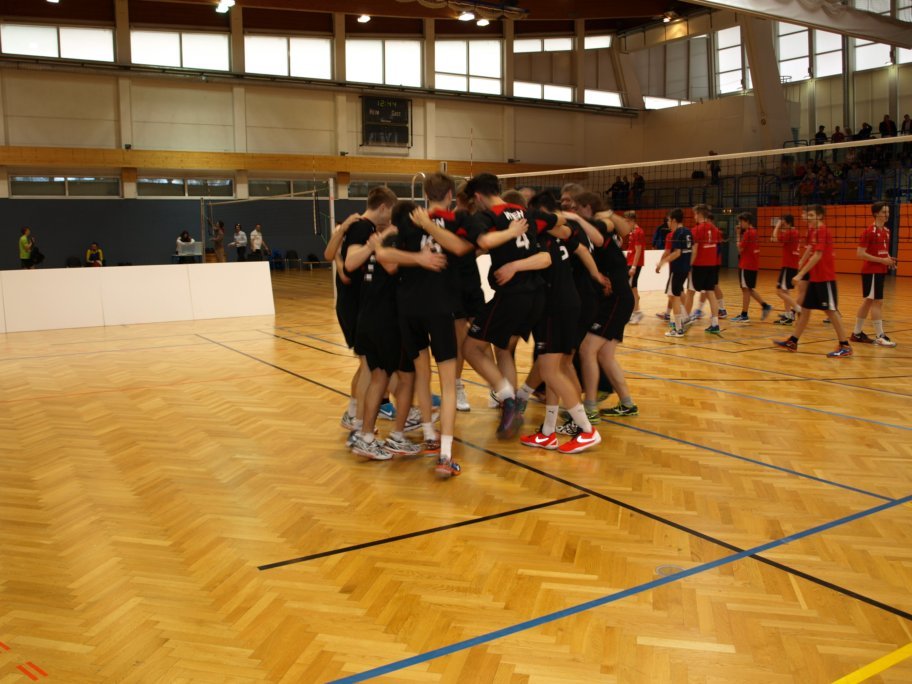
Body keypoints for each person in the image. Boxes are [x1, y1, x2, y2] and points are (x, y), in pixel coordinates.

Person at [461, 172, 564, 440]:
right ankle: (513, 411)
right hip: (537, 295)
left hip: (512, 295)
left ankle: (507, 399)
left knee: (470, 348)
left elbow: (483, 241)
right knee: (504, 348)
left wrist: (508, 237)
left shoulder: (487, 216)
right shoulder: (526, 213)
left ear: (478, 196)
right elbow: (559, 225)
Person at [773, 205, 852, 357]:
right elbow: (810, 249)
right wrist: (802, 262)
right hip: (815, 278)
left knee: (831, 311)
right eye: (807, 215)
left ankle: (845, 345)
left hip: (825, 278)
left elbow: (818, 255)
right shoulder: (812, 231)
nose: (807, 218)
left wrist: (800, 274)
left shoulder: (823, 231)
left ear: (820, 216)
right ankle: (793, 341)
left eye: (811, 215)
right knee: (805, 310)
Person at [850, 202, 897, 347]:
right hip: (871, 271)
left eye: (888, 212)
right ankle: (879, 336)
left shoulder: (887, 231)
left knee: (869, 302)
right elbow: (860, 254)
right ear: (876, 213)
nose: (887, 215)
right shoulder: (869, 232)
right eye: (884, 212)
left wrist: (889, 260)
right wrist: (882, 260)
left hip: (880, 271)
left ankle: (857, 333)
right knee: (877, 302)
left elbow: (882, 251)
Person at [655, 208, 692, 338]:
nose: (668, 223)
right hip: (685, 268)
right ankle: (684, 319)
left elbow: (677, 253)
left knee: (674, 297)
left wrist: (662, 263)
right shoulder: (687, 231)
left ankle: (679, 328)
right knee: (673, 295)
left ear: (674, 220)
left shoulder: (677, 233)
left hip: (677, 268)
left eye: (669, 220)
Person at [731, 212, 773, 322]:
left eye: (741, 221)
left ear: (747, 221)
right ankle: (765, 306)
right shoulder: (754, 232)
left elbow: (740, 249)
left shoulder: (748, 233)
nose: (740, 224)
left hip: (746, 265)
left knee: (745, 290)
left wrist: (738, 234)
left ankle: (744, 315)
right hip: (752, 265)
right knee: (749, 289)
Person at [688, 204, 722, 334]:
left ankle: (684, 320)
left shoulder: (696, 230)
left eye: (695, 214)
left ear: (699, 214)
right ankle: (715, 323)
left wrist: (689, 265)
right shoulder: (715, 229)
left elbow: (695, 250)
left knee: (690, 291)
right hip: (712, 265)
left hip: (699, 265)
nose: (694, 217)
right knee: (710, 293)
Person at [771, 214, 802, 325]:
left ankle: (797, 308)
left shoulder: (789, 233)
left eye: (783, 222)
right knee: (785, 292)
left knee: (779, 291)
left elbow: (774, 238)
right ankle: (788, 316)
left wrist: (777, 226)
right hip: (792, 265)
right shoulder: (795, 232)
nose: (782, 224)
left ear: (787, 222)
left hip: (788, 266)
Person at [625, 211, 645, 324]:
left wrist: (633, 266)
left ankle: (637, 312)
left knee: (632, 288)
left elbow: (638, 251)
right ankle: (635, 312)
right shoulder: (633, 232)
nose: (626, 224)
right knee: (633, 287)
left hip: (634, 264)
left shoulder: (638, 232)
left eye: (627, 221)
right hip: (630, 262)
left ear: (632, 221)